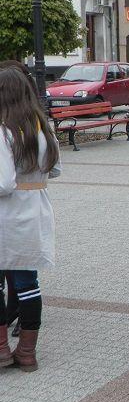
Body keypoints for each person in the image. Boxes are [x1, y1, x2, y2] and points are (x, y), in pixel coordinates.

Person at [0, 66, 61, 372]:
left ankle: (1, 351)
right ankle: (27, 352)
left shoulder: (3, 131)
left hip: (7, 216)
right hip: (37, 211)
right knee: (28, 283)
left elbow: (3, 183)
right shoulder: (41, 127)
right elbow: (56, 169)